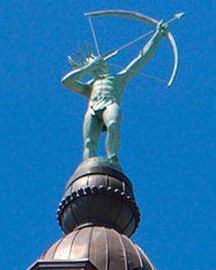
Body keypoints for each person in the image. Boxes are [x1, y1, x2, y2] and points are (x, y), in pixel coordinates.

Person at [61, 20, 170, 163]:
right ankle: (87, 166)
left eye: (101, 62)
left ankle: (112, 157)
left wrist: (157, 36)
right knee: (89, 142)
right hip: (92, 108)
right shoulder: (89, 86)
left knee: (113, 124)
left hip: (110, 104)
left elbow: (142, 57)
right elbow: (66, 81)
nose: (100, 64)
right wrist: (87, 68)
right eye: (96, 64)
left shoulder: (118, 78)